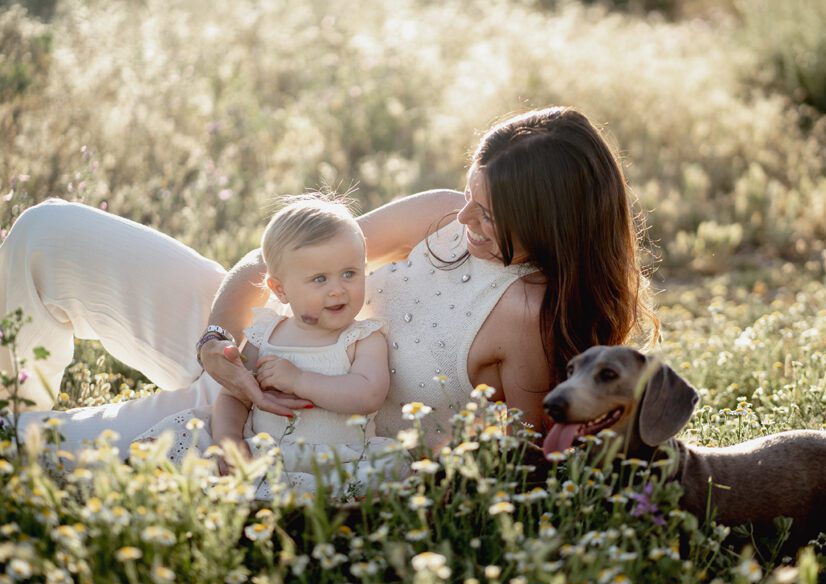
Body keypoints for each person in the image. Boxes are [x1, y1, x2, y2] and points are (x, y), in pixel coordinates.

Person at [0, 106, 655, 466]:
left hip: (281, 428)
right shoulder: (438, 214)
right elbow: (272, 262)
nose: (461, 220)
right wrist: (216, 341)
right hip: (245, 347)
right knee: (47, 232)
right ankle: (13, 382)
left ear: (553, 229)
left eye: (486, 216)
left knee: (19, 448)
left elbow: (515, 468)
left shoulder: (528, 324)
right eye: (469, 195)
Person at [134, 194, 403, 497]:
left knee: (369, 486)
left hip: (338, 459)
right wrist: (229, 439)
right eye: (319, 279)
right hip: (265, 453)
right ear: (280, 289)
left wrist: (300, 380)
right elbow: (236, 394)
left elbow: (368, 395)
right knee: (187, 443)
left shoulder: (363, 338)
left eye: (349, 273)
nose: (337, 289)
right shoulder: (267, 334)